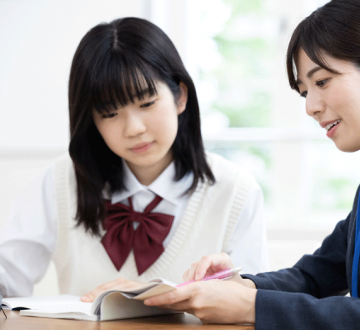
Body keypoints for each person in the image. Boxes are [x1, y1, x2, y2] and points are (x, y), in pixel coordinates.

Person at [142, 0, 360, 329]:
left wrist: (251, 307)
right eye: (305, 91)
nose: (311, 107)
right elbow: (314, 275)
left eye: (321, 82)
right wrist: (240, 286)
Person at [0, 17, 269, 299]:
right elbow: (7, 273)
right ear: (92, 121)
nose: (134, 129)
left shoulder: (236, 192)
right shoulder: (60, 183)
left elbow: (249, 306)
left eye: (147, 103)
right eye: (110, 113)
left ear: (180, 97)